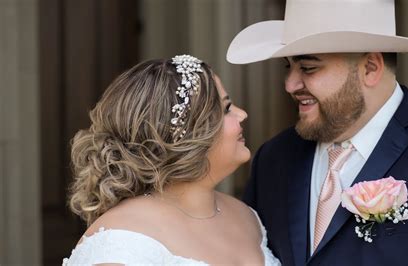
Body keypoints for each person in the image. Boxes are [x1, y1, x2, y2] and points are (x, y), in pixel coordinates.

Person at [226, 0, 408, 265]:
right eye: (288, 67)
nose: (290, 84)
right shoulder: (273, 158)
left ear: (370, 68)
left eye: (308, 68)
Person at [62, 55, 281, 265]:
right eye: (226, 109)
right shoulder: (122, 241)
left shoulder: (246, 215)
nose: (242, 114)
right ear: (187, 134)